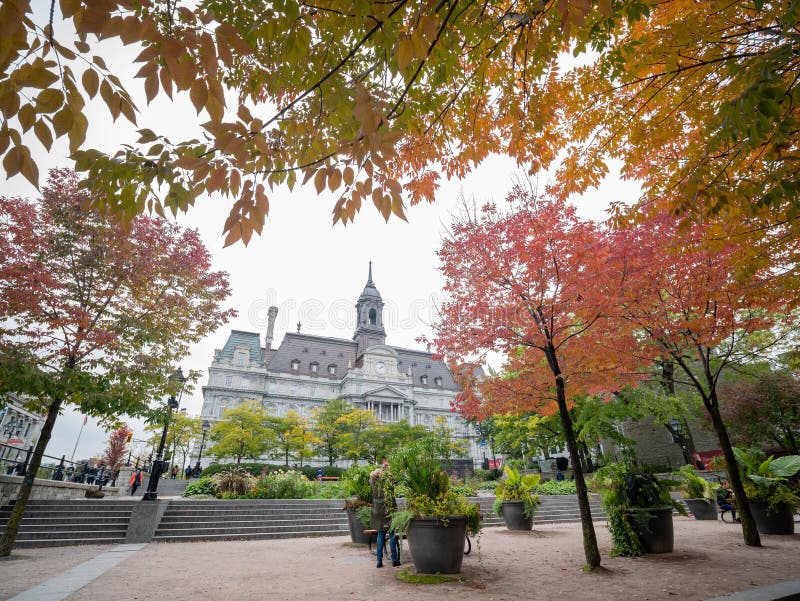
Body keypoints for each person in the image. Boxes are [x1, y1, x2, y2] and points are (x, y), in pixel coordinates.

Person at [370, 465, 400, 569]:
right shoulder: (388, 481)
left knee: (380, 535)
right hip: (388, 509)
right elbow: (396, 480)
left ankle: (379, 561)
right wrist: (389, 470)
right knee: (391, 534)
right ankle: (394, 560)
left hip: (377, 511)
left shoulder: (373, 482)